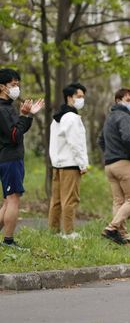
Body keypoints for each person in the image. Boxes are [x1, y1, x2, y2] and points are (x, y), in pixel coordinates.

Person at [0, 68, 44, 251]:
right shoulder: (3, 109)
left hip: (10, 158)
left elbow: (18, 130)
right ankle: (8, 242)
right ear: (2, 87)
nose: (16, 88)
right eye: (13, 85)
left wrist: (27, 115)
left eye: (18, 84)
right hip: (10, 158)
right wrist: (25, 115)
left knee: (8, 201)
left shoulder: (8, 108)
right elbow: (14, 136)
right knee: (13, 200)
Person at [48, 83, 89, 239]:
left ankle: (54, 231)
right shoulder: (71, 118)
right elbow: (75, 143)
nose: (81, 100)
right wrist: (82, 163)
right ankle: (69, 232)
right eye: (79, 96)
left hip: (58, 164)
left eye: (83, 97)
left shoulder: (57, 118)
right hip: (71, 164)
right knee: (70, 199)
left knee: (57, 200)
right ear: (69, 97)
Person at [98, 88, 130, 245]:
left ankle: (123, 237)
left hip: (109, 165)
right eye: (128, 100)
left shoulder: (110, 118)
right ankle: (111, 228)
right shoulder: (123, 116)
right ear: (118, 100)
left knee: (118, 202)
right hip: (123, 163)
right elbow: (127, 138)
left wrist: (109, 154)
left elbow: (100, 140)